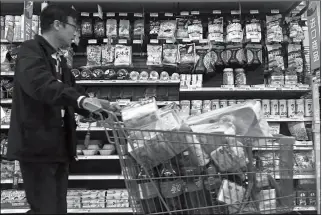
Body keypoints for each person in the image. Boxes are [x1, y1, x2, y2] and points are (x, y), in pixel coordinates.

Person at [6, 5, 119, 214]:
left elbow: (71, 91)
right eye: (73, 26)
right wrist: (82, 100)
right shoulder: (30, 50)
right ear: (57, 25)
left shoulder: (58, 57)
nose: (75, 31)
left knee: (57, 208)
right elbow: (42, 86)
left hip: (57, 147)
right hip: (36, 146)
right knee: (45, 208)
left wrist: (102, 107)